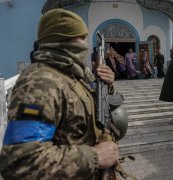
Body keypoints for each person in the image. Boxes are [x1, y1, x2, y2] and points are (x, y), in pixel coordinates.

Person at [0, 9, 118, 179]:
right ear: (61, 40)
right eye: (80, 37)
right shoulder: (40, 83)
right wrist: (94, 157)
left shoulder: (73, 74)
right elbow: (21, 162)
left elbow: (90, 103)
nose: (84, 44)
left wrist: (108, 85)